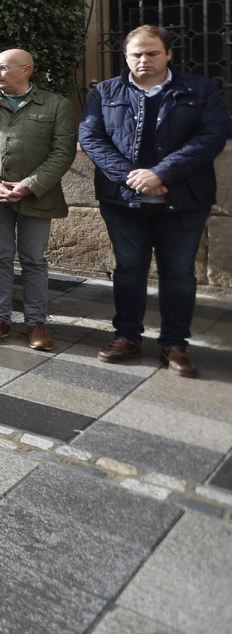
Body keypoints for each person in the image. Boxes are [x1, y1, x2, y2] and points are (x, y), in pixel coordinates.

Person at [80, 25, 230, 376]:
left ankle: (175, 344)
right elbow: (91, 137)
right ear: (126, 56)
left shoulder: (200, 89)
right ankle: (126, 337)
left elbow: (212, 136)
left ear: (168, 54)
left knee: (178, 273)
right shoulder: (104, 91)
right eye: (136, 54)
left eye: (152, 53)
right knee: (129, 269)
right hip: (123, 200)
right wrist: (133, 177)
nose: (143, 60)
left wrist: (161, 173)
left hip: (184, 199)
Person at [0, 48, 77, 352]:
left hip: (38, 196)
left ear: (26, 71)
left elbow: (63, 152)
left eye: (3, 68)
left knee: (33, 260)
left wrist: (28, 185)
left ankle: (35, 322)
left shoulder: (56, 105)